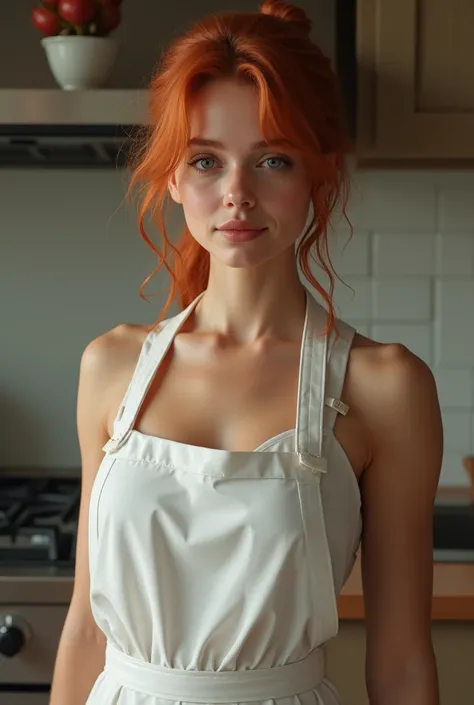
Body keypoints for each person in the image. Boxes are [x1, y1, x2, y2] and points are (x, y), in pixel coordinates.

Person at [49, 1, 443, 704]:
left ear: (319, 174)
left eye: (272, 159)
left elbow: (403, 660)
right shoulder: (109, 366)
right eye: (206, 160)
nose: (236, 194)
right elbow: (85, 628)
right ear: (172, 178)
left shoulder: (386, 388)